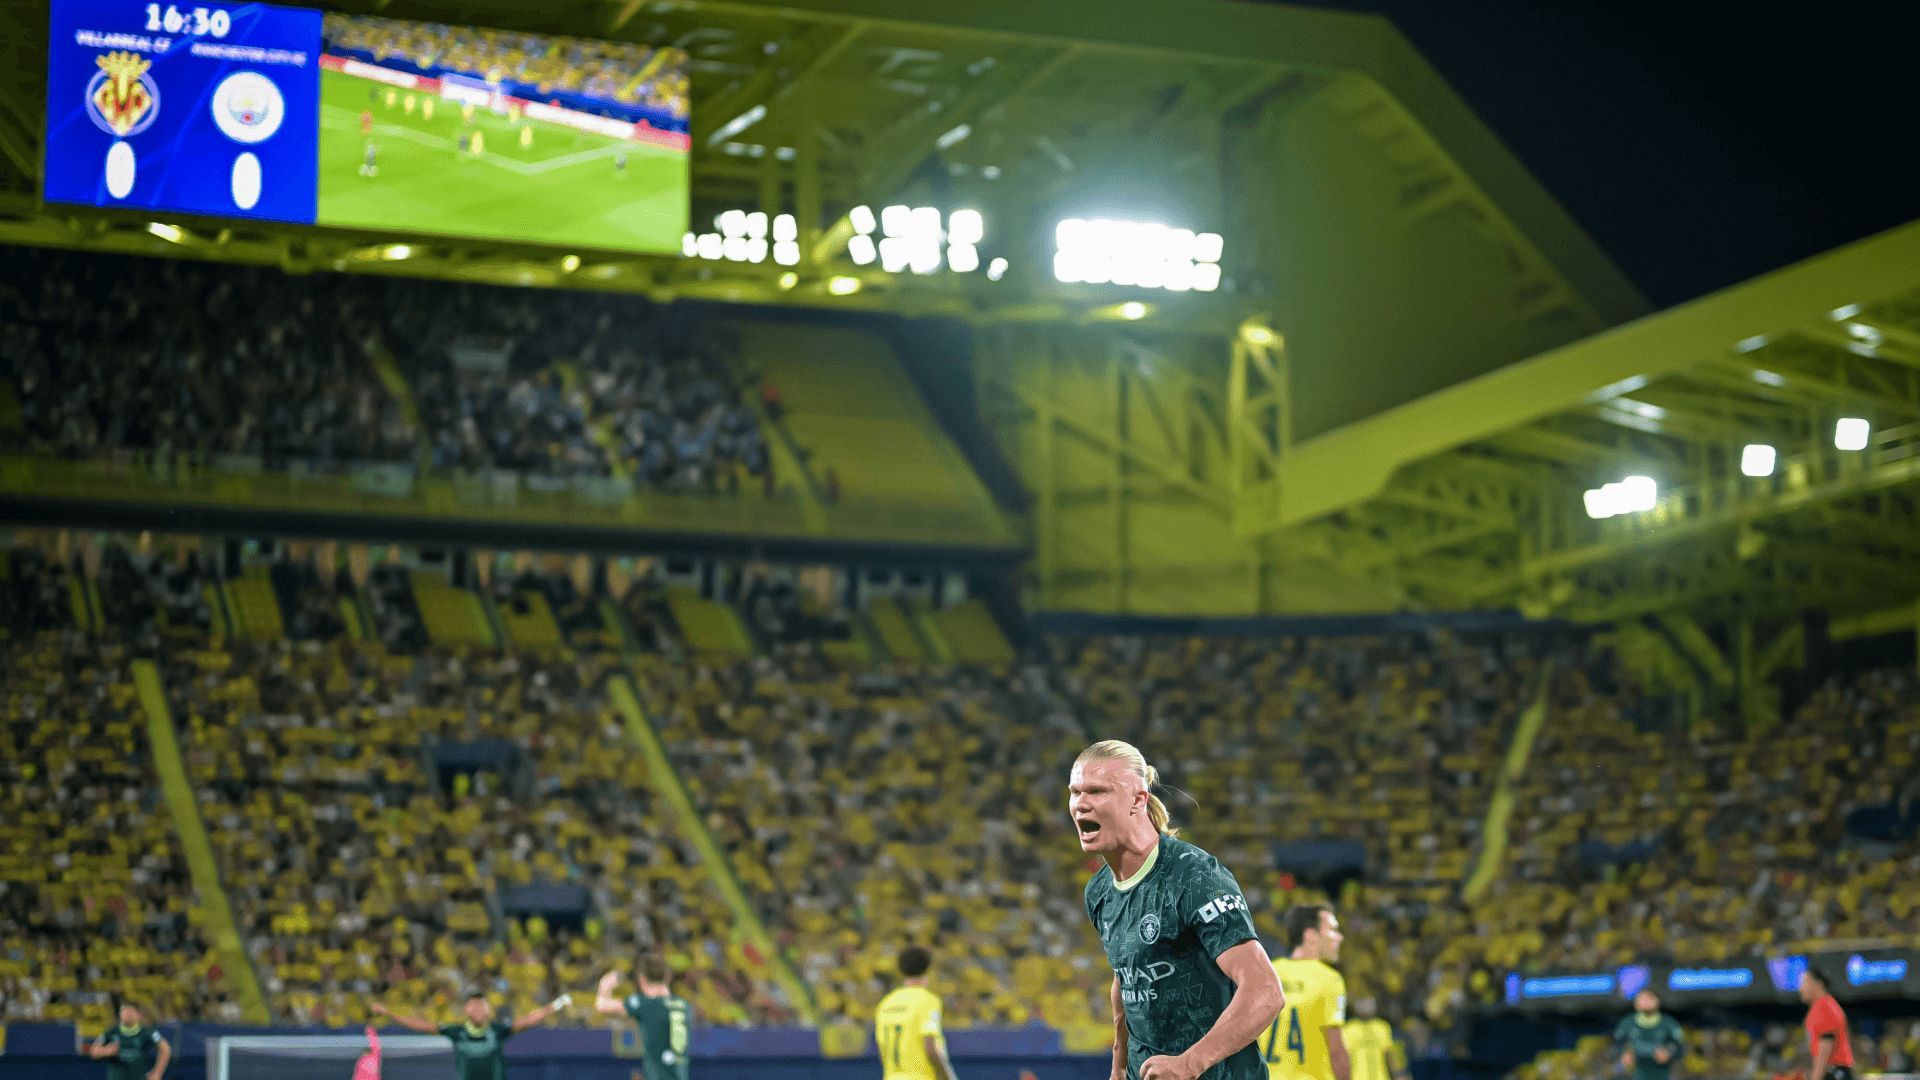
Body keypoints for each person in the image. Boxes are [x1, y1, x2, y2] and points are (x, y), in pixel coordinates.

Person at [1073, 739, 1284, 1080]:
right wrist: (1119, 1064)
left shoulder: (1193, 875)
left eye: (1097, 792)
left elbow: (1265, 991)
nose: (1081, 804)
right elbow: (1127, 975)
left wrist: (1190, 1063)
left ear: (1138, 800)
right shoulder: (1099, 892)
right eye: (1076, 792)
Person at [370, 991, 569, 1080]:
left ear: (488, 1010)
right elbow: (422, 1025)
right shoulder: (457, 1033)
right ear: (466, 1009)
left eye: (482, 1005)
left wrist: (556, 1005)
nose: (478, 1009)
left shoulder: (497, 1032)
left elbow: (528, 1020)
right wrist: (390, 1014)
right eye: (474, 1006)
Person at [1266, 904, 1349, 1080]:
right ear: (1310, 935)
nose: (1339, 938)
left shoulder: (1268, 973)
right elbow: (1336, 1049)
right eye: (1333, 930)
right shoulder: (1329, 978)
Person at [595, 956, 694, 1080]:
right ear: (667, 977)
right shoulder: (684, 1005)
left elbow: (601, 1006)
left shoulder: (647, 1004)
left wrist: (604, 985)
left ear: (641, 979)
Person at [872, 945, 957, 1080]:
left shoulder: (885, 1003)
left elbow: (883, 1051)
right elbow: (930, 1048)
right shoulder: (927, 1001)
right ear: (928, 969)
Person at [82, 1002, 170, 1080]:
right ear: (120, 1014)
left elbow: (165, 1049)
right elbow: (93, 1051)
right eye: (124, 1011)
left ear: (139, 1015)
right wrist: (107, 1051)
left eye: (131, 1011)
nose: (127, 1014)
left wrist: (157, 1073)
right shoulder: (112, 1031)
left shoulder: (147, 1032)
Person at [1613, 990, 1684, 1080]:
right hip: (1635, 1075)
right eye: (1641, 999)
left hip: (1662, 1075)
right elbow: (1616, 1044)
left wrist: (1668, 1053)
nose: (1645, 1001)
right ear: (1636, 1003)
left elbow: (1679, 1048)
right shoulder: (1627, 1023)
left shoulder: (1669, 1024)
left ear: (1657, 1001)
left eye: (1649, 998)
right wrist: (1623, 1054)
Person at [1800, 966, 1855, 1080]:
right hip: (1835, 1071)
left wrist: (1815, 1077)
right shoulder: (1824, 1005)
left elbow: (1825, 1046)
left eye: (1805, 982)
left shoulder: (1824, 1007)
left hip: (1834, 1072)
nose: (1801, 988)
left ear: (1818, 984)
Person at [1341, 999, 1407, 1080]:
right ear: (1355, 1006)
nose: (1366, 1006)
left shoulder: (1382, 1027)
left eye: (1369, 1002)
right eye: (1362, 1003)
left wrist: (1398, 1075)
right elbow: (1343, 1059)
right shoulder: (1348, 1029)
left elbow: (1389, 1055)